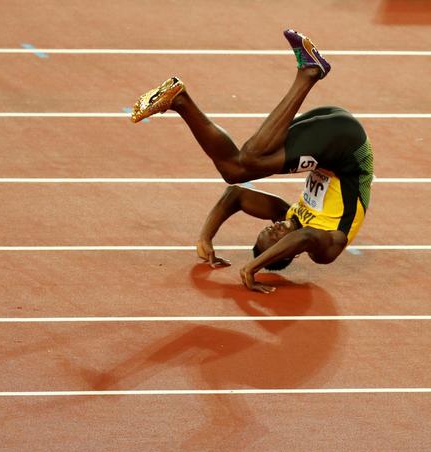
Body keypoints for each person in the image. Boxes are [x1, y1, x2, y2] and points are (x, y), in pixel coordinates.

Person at [131, 29, 374, 293]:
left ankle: (180, 101)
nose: (276, 227)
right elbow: (304, 237)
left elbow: (235, 196)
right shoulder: (326, 247)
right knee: (250, 158)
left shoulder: (289, 215)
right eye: (276, 237)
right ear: (290, 253)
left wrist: (205, 236)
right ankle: (309, 73)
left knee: (233, 170)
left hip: (329, 137)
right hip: (348, 148)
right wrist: (252, 267)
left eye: (268, 230)